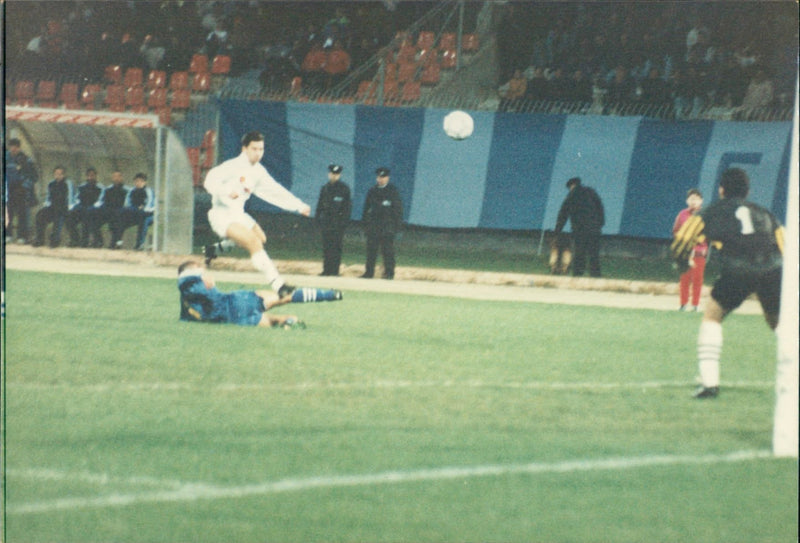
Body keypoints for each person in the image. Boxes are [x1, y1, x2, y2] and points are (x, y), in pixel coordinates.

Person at [671, 168, 784, 399]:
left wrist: (682, 263)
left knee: (712, 316)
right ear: (747, 191)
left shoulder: (711, 212)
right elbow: (785, 243)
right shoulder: (764, 213)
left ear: (721, 189)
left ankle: (710, 383)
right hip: (773, 269)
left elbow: (682, 239)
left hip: (739, 269)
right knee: (778, 325)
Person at [202, 131, 311, 298]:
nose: (258, 153)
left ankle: (213, 249)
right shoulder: (231, 166)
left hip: (239, 215)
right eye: (254, 148)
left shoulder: (258, 171)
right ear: (245, 148)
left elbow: (275, 191)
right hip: (221, 215)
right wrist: (225, 191)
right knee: (253, 242)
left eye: (261, 149)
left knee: (260, 239)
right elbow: (209, 180)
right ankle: (279, 285)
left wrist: (298, 205)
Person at [177, 260, 342, 329]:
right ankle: (328, 295)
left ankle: (290, 322)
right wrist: (209, 284)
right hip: (237, 303)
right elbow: (209, 293)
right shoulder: (192, 278)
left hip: (234, 321)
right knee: (284, 296)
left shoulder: (186, 310)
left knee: (273, 321)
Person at [554, 177, 604, 277]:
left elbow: (563, 214)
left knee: (579, 253)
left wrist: (557, 230)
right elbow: (600, 208)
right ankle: (596, 275)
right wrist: (600, 224)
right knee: (594, 253)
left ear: (571, 186)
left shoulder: (571, 195)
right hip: (594, 229)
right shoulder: (591, 192)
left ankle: (578, 274)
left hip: (579, 229)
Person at [361, 167, 403, 279]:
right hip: (374, 226)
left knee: (388, 251)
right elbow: (366, 209)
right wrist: (365, 225)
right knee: (371, 251)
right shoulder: (372, 191)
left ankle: (389, 273)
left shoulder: (393, 191)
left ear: (387, 178)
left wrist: (396, 227)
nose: (381, 179)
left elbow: (397, 210)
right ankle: (369, 273)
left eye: (383, 177)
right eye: (379, 177)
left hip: (387, 227)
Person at [672, 188, 708, 311]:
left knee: (697, 279)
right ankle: (683, 304)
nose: (694, 202)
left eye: (696, 199)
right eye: (692, 199)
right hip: (685, 253)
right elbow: (676, 231)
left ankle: (695, 304)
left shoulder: (705, 215)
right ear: (687, 200)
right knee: (684, 278)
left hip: (699, 252)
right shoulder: (682, 215)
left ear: (701, 201)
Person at [315, 164, 352, 276]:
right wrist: (317, 219)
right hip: (327, 222)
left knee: (336, 247)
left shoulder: (344, 189)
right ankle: (326, 270)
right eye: (332, 174)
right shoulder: (325, 188)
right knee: (327, 247)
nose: (334, 176)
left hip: (338, 223)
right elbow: (320, 205)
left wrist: (344, 223)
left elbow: (347, 208)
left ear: (339, 175)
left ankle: (335, 271)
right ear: (329, 174)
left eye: (336, 174)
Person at [32, 166, 76, 247]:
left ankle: (55, 240)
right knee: (40, 214)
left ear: (64, 175)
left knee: (58, 217)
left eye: (60, 174)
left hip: (64, 207)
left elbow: (70, 196)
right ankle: (39, 238)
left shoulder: (67, 183)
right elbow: (48, 197)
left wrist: (70, 207)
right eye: (56, 174)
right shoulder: (51, 184)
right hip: (53, 206)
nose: (58, 176)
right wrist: (46, 204)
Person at [6, 138, 39, 243]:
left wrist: (25, 186)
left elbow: (34, 177)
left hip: (21, 190)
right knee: (8, 213)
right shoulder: (6, 158)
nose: (13, 149)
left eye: (16, 147)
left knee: (22, 213)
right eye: (12, 146)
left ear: (19, 148)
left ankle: (22, 236)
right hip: (9, 189)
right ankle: (8, 235)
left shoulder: (25, 159)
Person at [112, 173, 154, 250]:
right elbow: (127, 204)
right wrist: (137, 208)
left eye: (141, 181)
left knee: (143, 221)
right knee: (120, 218)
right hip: (136, 213)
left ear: (145, 182)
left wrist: (142, 208)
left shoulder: (148, 191)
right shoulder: (132, 191)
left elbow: (149, 206)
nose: (138, 183)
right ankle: (118, 242)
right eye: (137, 181)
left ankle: (139, 244)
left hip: (148, 215)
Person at [88, 169, 128, 248]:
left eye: (118, 176)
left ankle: (115, 244)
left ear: (122, 178)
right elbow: (101, 201)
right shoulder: (107, 189)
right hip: (108, 212)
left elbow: (127, 203)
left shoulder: (127, 189)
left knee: (116, 222)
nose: (116, 178)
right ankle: (99, 241)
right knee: (93, 220)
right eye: (114, 177)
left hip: (120, 213)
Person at [66, 167, 104, 247]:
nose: (90, 178)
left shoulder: (100, 187)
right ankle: (75, 239)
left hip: (95, 210)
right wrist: (75, 206)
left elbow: (101, 200)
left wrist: (94, 207)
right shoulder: (81, 187)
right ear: (86, 177)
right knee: (69, 216)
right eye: (89, 176)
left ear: (96, 176)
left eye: (92, 175)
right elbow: (77, 198)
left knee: (88, 214)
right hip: (83, 208)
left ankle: (89, 241)